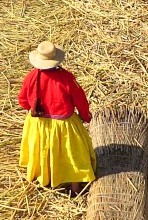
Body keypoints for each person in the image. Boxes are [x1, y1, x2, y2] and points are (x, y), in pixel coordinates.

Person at [17, 41, 96, 196]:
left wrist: (35, 112)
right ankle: (75, 187)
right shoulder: (66, 78)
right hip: (64, 125)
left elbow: (23, 100)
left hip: (38, 124)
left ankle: (44, 179)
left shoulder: (31, 76)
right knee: (73, 153)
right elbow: (80, 100)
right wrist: (85, 116)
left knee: (41, 151)